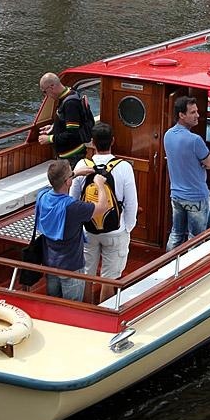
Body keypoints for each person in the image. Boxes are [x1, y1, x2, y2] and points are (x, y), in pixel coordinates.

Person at [70, 123, 137, 303]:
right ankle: (105, 309)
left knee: (87, 276)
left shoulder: (82, 165)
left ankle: (86, 309)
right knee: (109, 279)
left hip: (88, 229)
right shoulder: (124, 167)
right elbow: (131, 203)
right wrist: (127, 228)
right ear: (112, 141)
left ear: (92, 143)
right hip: (115, 230)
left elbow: (73, 200)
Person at [36, 159, 108, 301]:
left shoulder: (42, 196)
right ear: (68, 182)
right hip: (71, 267)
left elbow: (55, 183)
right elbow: (102, 207)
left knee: (53, 303)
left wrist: (75, 174)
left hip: (50, 265)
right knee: (72, 306)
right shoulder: (73, 207)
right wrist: (100, 184)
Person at [163, 96, 210, 251]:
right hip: (196, 198)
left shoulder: (167, 135)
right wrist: (201, 162)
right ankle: (192, 266)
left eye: (197, 111)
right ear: (181, 115)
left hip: (176, 196)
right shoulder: (195, 140)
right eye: (193, 112)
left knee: (176, 234)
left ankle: (167, 263)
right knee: (196, 240)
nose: (197, 115)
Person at [38, 72, 90, 161]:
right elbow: (67, 121)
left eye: (45, 92)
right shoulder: (69, 94)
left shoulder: (70, 104)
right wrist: (53, 127)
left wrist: (50, 138)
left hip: (72, 156)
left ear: (52, 87)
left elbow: (72, 133)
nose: (46, 95)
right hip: (67, 154)